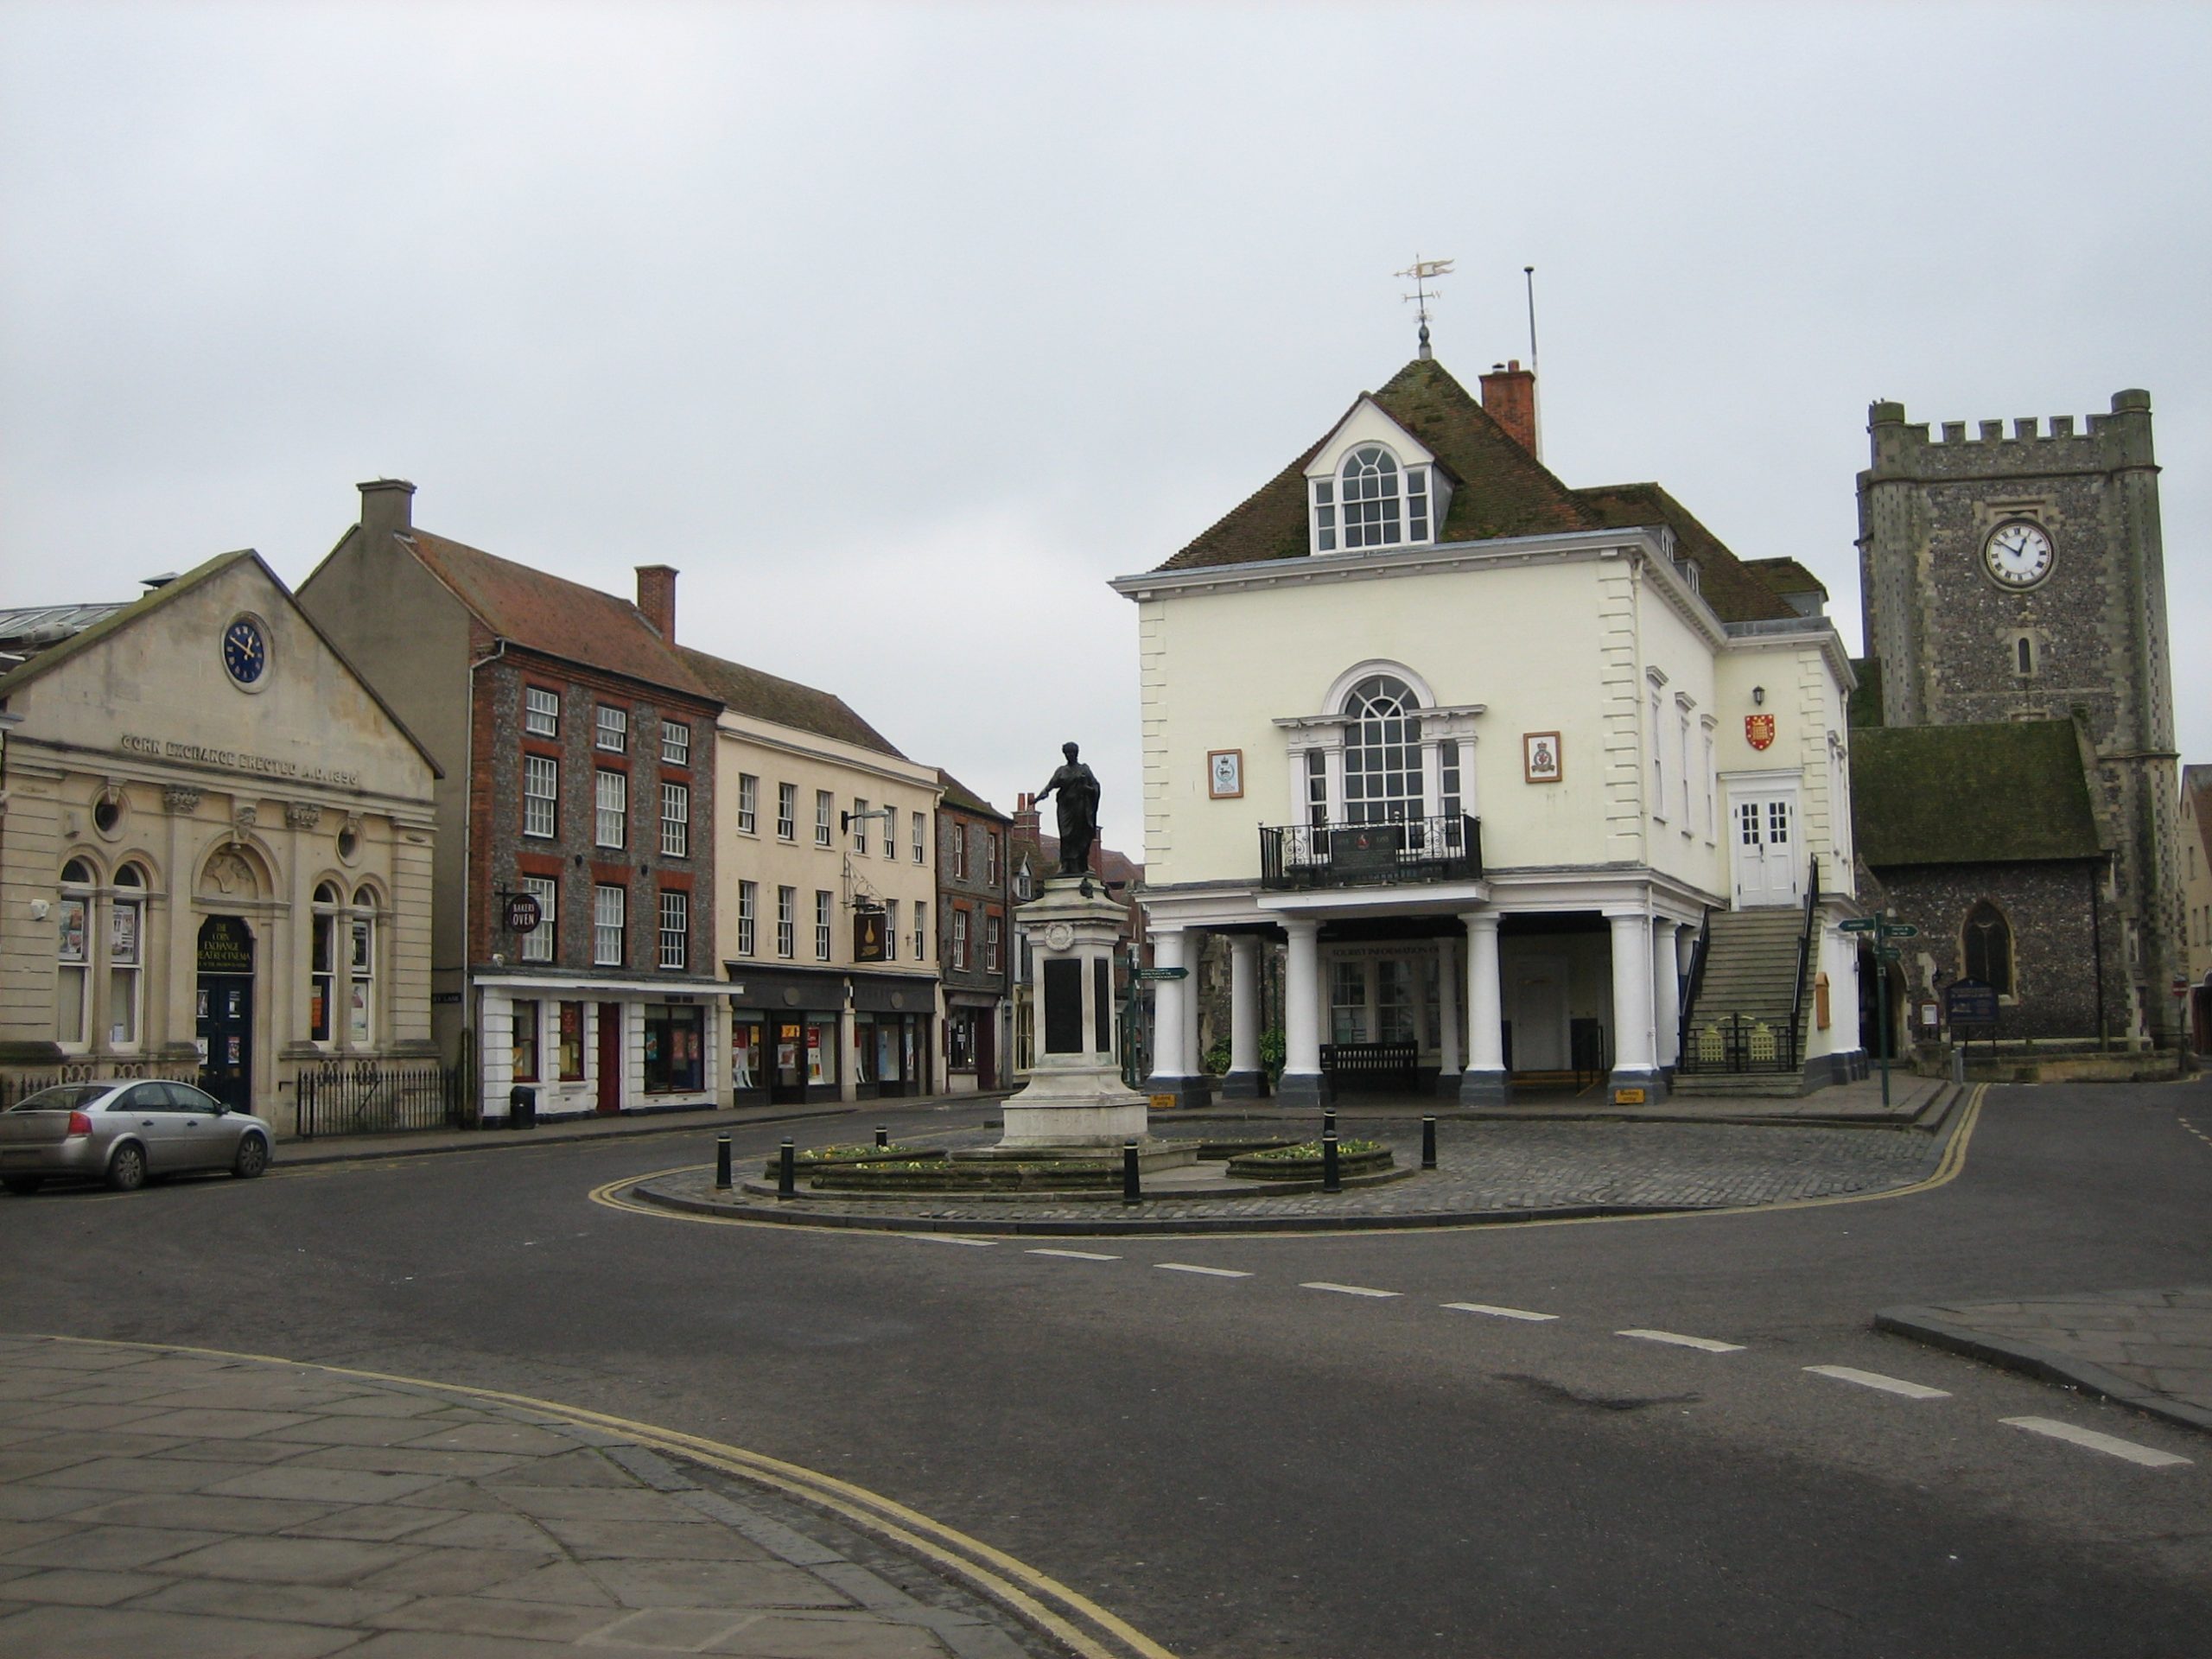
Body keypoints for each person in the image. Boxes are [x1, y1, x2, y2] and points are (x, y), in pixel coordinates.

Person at [1036, 741, 1101, 877]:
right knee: (1066, 836)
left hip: (1081, 807)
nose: (1070, 755)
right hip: (1065, 807)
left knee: (1080, 835)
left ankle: (1080, 864)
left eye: (1072, 753)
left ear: (1077, 753)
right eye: (1067, 753)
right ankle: (1066, 864)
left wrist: (1086, 789)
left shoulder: (1084, 769)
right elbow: (1049, 787)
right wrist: (1036, 799)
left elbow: (1095, 787)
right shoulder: (1061, 771)